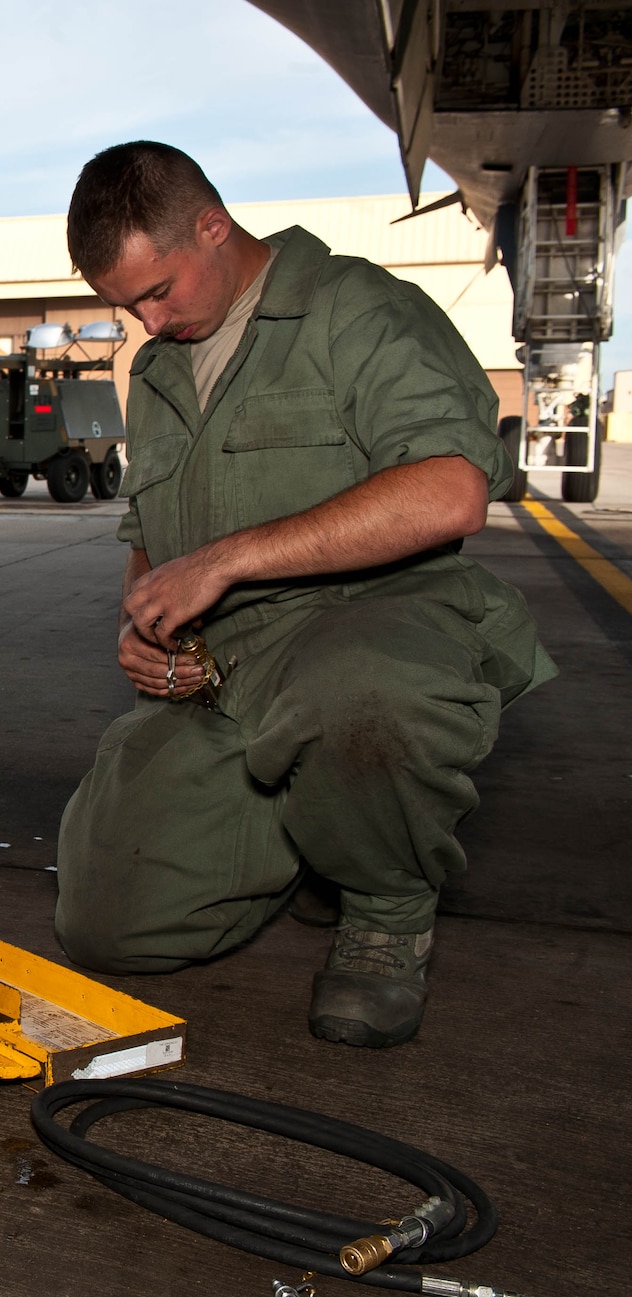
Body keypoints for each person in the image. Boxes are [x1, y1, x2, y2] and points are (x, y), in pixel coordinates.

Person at [53, 142, 554, 1049]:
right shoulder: (163, 371)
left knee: (356, 694)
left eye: (157, 291)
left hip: (369, 629)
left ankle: (385, 909)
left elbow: (450, 491)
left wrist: (230, 559)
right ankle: (325, 829)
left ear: (213, 226)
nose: (148, 322)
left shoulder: (354, 311)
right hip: (224, 674)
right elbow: (149, 536)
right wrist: (145, 621)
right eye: (127, 306)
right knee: (104, 922)